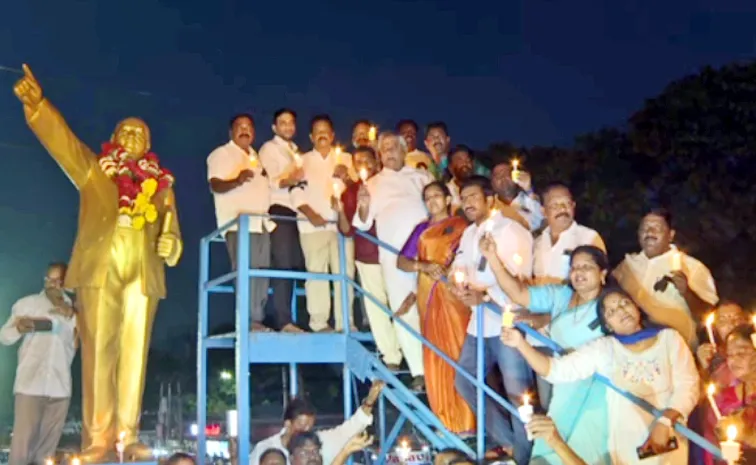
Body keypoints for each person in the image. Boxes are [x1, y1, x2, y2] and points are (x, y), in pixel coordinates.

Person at [14, 64, 183, 460]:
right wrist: (39, 107)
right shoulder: (95, 172)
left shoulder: (162, 187)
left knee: (134, 357)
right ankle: (97, 441)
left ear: (149, 145)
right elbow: (64, 143)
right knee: (98, 357)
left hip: (142, 274)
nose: (132, 136)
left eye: (140, 133)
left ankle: (129, 437)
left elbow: (172, 234)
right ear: (113, 140)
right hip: (100, 270)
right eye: (125, 131)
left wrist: (171, 244)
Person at [501, 287, 700, 465]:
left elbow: (688, 385)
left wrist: (665, 421)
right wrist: (520, 343)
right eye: (611, 312)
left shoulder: (669, 339)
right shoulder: (606, 348)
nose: (621, 311)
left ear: (637, 308)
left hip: (668, 441)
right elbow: (556, 370)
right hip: (627, 450)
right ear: (608, 324)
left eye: (624, 303)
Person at [480, 241, 610, 463]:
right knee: (548, 452)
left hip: (599, 391)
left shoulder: (610, 304)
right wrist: (492, 257)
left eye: (586, 267)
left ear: (602, 274)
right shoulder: (562, 296)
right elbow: (518, 293)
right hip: (564, 386)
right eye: (574, 267)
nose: (579, 273)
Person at [450, 176, 534, 464]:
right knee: (465, 381)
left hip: (507, 321)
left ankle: (524, 458)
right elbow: (458, 265)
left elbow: (519, 281)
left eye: (474, 196)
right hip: (479, 323)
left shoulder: (511, 231)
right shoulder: (468, 234)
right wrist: (458, 283)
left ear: (490, 199)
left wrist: (484, 297)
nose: (468, 203)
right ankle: (511, 444)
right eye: (464, 198)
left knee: (517, 395)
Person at [353, 132, 434, 391]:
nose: (389, 152)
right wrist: (363, 204)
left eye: (393, 147)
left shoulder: (421, 177)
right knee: (404, 311)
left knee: (432, 308)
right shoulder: (374, 184)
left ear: (403, 150)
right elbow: (362, 222)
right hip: (393, 257)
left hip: (427, 252)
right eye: (384, 148)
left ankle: (439, 366)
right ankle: (419, 371)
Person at [397, 181, 475, 433]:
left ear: (447, 198)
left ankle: (469, 421)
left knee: (460, 352)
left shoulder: (463, 226)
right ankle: (446, 421)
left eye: (436, 196)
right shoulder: (421, 229)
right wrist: (424, 266)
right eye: (427, 198)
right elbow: (402, 261)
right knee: (436, 357)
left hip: (456, 298)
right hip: (429, 296)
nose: (432, 202)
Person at [0, 263, 77, 465]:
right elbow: (4, 337)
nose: (54, 285)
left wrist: (71, 314)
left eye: (60, 281)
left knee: (46, 455)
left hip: (60, 389)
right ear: (44, 281)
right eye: (50, 280)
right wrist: (19, 328)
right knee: (21, 450)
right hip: (30, 385)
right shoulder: (28, 304)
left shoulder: (77, 314)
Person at [613, 207, 718, 348]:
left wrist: (686, 292)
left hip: (676, 348)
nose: (650, 233)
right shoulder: (627, 265)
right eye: (645, 228)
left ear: (671, 235)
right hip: (631, 347)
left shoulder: (692, 267)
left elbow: (707, 314)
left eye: (657, 228)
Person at [207, 113, 274, 332]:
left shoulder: (255, 157)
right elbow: (215, 185)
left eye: (249, 127)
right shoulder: (222, 154)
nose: (244, 130)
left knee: (261, 272)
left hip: (261, 222)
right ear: (231, 132)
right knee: (245, 270)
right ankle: (247, 320)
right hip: (239, 223)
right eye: (239, 126)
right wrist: (236, 180)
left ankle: (258, 319)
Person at [334, 146, 399, 366]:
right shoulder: (350, 192)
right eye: (358, 161)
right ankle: (391, 356)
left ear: (377, 161)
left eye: (367, 160)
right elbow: (346, 230)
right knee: (376, 307)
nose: (364, 165)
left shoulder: (387, 183)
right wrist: (341, 210)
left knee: (400, 304)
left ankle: (409, 351)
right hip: (367, 255)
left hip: (393, 254)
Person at [293, 114, 355, 331]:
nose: (322, 135)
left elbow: (358, 189)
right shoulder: (303, 160)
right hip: (313, 226)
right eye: (317, 131)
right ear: (311, 136)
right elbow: (295, 192)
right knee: (317, 274)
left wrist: (347, 177)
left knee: (345, 274)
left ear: (333, 135)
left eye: (326, 131)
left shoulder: (345, 160)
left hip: (341, 226)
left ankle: (345, 322)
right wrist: (310, 213)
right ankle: (319, 322)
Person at [248, 381, 384, 465]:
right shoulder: (265, 449)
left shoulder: (319, 440)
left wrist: (369, 402)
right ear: (288, 424)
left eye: (314, 452)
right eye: (301, 426)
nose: (306, 430)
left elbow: (350, 428)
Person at [258, 108, 307, 333]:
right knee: (283, 264)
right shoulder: (269, 148)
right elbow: (271, 180)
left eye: (291, 123)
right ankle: (284, 320)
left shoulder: (295, 150)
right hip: (279, 209)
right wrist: (291, 179)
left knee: (296, 265)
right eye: (282, 123)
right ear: (274, 127)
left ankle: (296, 318)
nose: (287, 126)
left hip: (298, 211)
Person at [706, 324, 756, 464]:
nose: (733, 361)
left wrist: (747, 434)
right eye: (730, 355)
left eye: (741, 353)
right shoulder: (725, 399)